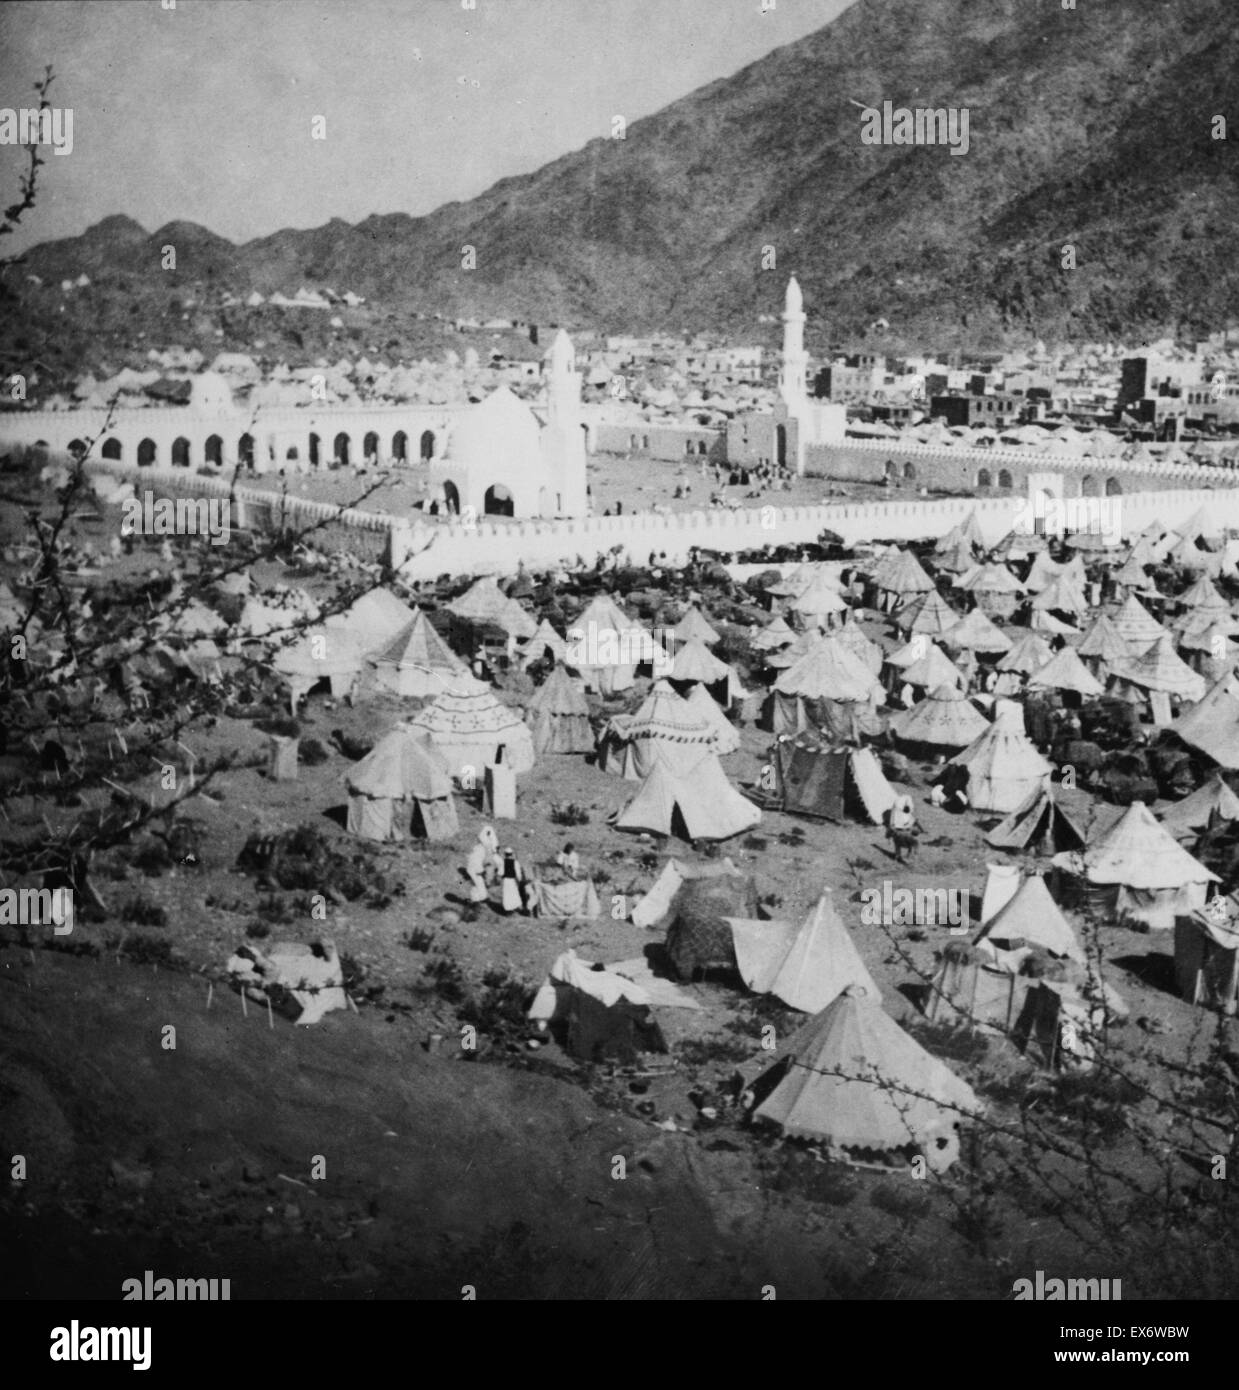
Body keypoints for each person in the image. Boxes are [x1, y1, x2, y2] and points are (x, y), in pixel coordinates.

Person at [464, 825, 501, 904]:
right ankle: (475, 899)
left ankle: (481, 897)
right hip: (474, 869)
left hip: (475, 868)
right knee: (478, 883)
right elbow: (476, 861)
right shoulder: (482, 849)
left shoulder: (481, 847)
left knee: (479, 883)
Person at [500, 847, 530, 914]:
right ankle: (519, 908)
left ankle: (507, 910)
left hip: (505, 881)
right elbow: (518, 873)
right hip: (512, 881)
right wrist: (519, 880)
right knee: (514, 894)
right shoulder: (515, 862)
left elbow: (500, 872)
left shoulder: (502, 862)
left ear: (505, 854)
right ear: (511, 854)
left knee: (507, 895)